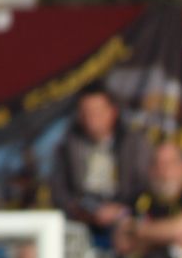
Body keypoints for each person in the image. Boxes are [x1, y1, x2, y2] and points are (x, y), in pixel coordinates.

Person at [47, 86, 151, 233]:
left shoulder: (134, 144)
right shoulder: (67, 146)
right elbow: (60, 192)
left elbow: (145, 186)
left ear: (113, 112)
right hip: (82, 221)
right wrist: (83, 212)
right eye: (86, 112)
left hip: (127, 220)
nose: (92, 118)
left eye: (97, 111)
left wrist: (122, 210)